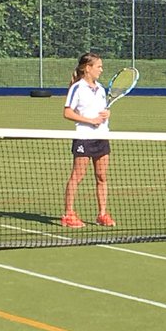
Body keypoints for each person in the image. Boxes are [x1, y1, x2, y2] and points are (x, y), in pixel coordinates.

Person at [61, 51, 114, 227]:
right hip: (84, 137)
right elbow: (67, 112)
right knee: (78, 176)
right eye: (98, 66)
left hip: (102, 137)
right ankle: (68, 214)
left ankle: (102, 214)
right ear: (88, 68)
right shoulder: (77, 87)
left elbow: (101, 111)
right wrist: (90, 121)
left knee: (101, 176)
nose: (101, 69)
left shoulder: (101, 89)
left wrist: (107, 114)